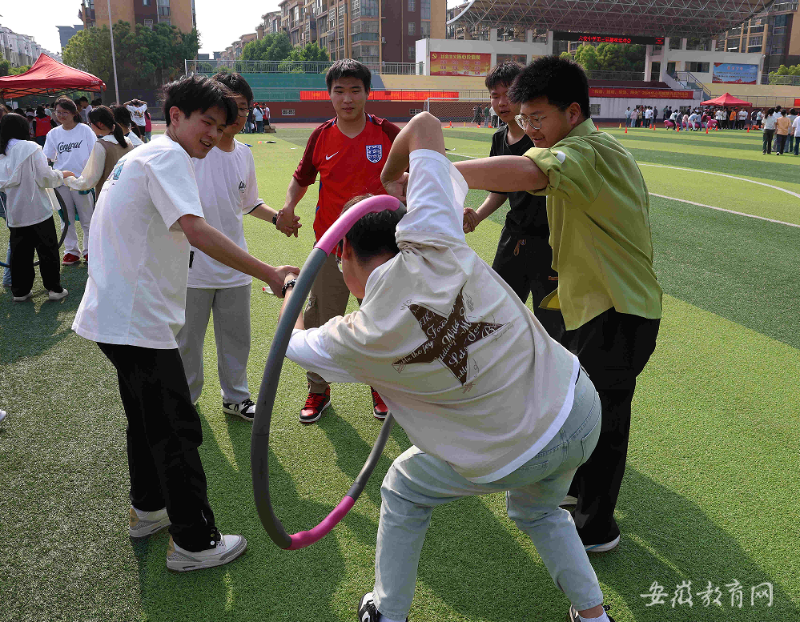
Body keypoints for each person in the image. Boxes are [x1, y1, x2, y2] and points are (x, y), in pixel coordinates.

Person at [283, 110, 614, 622]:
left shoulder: (355, 337)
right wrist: (391, 177)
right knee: (539, 510)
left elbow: (291, 341)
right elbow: (424, 123)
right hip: (580, 407)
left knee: (403, 487)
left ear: (342, 249)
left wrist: (290, 288)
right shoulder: (432, 233)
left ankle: (388, 612)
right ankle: (593, 616)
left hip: (515, 449)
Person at [71, 75, 298, 572]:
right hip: (136, 319)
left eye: (220, 126)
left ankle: (148, 509)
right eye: (206, 122)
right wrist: (269, 271)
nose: (213, 135)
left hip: (115, 315)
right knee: (176, 427)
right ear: (175, 116)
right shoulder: (168, 157)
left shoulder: (144, 155)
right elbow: (196, 231)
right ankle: (194, 541)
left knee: (146, 420)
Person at [453, 55, 662, 553]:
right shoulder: (579, 148)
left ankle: (597, 526)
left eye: (538, 118)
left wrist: (439, 172)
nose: (530, 129)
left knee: (606, 417)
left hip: (619, 309)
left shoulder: (588, 151)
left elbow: (529, 172)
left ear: (572, 112)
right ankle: (575, 491)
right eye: (524, 118)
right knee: (580, 402)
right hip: (590, 304)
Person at [276, 58, 400, 424]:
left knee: (381, 319)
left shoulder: (387, 132)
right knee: (321, 317)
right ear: (329, 95)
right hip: (332, 246)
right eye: (339, 91)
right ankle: (318, 389)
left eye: (355, 90)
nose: (347, 99)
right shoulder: (321, 136)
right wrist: (288, 207)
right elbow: (301, 178)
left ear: (368, 93)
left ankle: (382, 388)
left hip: (380, 249)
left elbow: (420, 170)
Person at [176, 73, 300, 422]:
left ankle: (236, 398)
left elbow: (248, 202)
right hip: (192, 266)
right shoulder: (192, 151)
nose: (238, 114)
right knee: (188, 342)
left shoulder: (244, 153)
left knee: (236, 339)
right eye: (230, 106)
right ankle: (186, 401)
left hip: (235, 265)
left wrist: (277, 219)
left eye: (244, 107)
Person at [462, 62, 564, 339]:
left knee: (551, 323)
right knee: (499, 312)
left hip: (549, 241)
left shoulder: (541, 138)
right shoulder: (499, 138)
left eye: (508, 94)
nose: (501, 102)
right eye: (494, 96)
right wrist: (478, 216)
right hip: (514, 237)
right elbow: (501, 188)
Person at [0, 112, 71, 302]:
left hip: (15, 211)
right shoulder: (30, 148)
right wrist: (62, 174)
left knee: (20, 253)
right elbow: (45, 177)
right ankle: (54, 288)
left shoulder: (2, 151)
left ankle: (20, 291)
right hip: (37, 209)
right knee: (47, 250)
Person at [43, 97, 97, 265]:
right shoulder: (53, 133)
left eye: (64, 112)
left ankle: (90, 250)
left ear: (74, 113)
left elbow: (95, 153)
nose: (60, 115)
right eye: (58, 112)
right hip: (61, 181)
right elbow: (47, 157)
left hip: (82, 181)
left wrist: (89, 176)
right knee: (66, 219)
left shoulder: (85, 130)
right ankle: (71, 251)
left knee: (87, 218)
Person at [64, 106, 134, 201]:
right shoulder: (128, 141)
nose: (91, 126)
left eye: (91, 123)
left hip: (108, 198)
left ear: (100, 124)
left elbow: (89, 180)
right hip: (128, 194)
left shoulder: (101, 145)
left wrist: (68, 180)